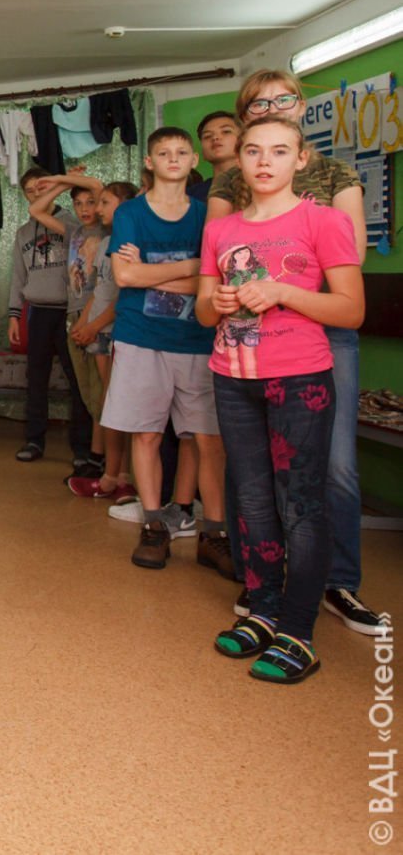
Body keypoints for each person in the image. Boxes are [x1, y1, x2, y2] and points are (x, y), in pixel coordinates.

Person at [205, 69, 383, 637]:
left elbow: (349, 296)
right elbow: (210, 291)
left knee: (320, 481)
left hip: (308, 354)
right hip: (237, 364)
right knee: (252, 487)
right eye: (254, 146)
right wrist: (222, 298)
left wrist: (282, 290)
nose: (265, 160)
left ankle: (320, 602)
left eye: (279, 150)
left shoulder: (329, 196)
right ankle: (262, 599)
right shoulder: (225, 204)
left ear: (300, 156)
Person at [105, 127, 231, 575]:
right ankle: (154, 524)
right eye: (163, 152)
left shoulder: (209, 214)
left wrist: (153, 273)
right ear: (149, 162)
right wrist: (192, 267)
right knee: (147, 434)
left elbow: (214, 281)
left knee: (207, 439)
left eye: (181, 152)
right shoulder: (130, 213)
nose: (173, 158)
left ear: (194, 159)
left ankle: (213, 533)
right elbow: (125, 278)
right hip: (141, 337)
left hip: (198, 339)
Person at [10, 167, 95, 472]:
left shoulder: (74, 223)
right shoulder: (23, 233)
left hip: (70, 312)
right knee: (36, 379)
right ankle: (34, 440)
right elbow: (18, 276)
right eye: (30, 191)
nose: (36, 194)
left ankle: (82, 447)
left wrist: (60, 183)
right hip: (39, 311)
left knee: (78, 382)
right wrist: (14, 314)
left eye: (41, 188)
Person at [66, 181, 138, 499]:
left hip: (113, 331)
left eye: (104, 203)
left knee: (118, 404)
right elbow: (99, 290)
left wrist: (94, 326)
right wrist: (83, 323)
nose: (97, 209)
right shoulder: (108, 241)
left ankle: (120, 475)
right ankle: (113, 472)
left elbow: (123, 297)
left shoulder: (132, 243)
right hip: (97, 330)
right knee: (108, 404)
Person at [189, 110, 240, 202]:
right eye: (207, 136)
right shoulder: (190, 196)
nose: (215, 138)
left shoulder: (260, 185)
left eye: (226, 131)